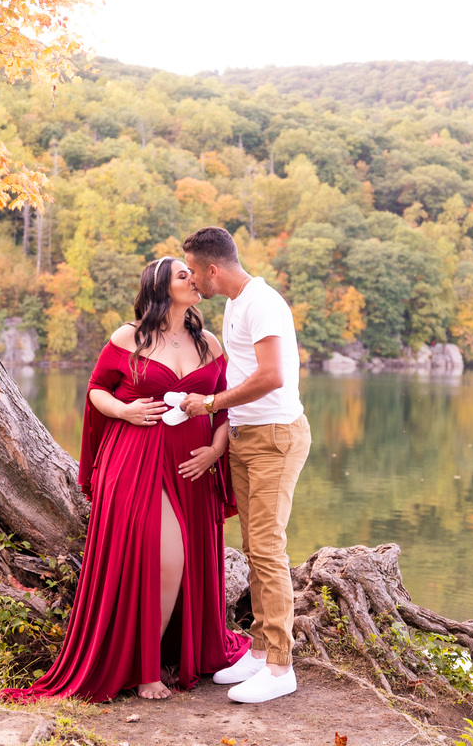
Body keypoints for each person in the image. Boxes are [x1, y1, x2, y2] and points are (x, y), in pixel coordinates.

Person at [0, 257, 248, 703]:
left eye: (193, 273)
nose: (194, 280)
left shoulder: (208, 342)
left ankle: (175, 654)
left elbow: (224, 404)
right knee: (163, 559)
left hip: (193, 466)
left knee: (187, 563)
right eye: (183, 275)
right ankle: (145, 668)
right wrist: (126, 410)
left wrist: (216, 450)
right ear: (159, 287)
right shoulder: (127, 337)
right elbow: (96, 390)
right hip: (135, 460)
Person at [179, 226, 311, 704]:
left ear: (213, 269)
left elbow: (272, 376)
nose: (192, 280)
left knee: (269, 549)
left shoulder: (263, 303)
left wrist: (212, 404)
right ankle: (260, 650)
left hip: (275, 438)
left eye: (193, 271)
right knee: (254, 546)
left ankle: (280, 668)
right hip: (244, 437)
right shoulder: (236, 304)